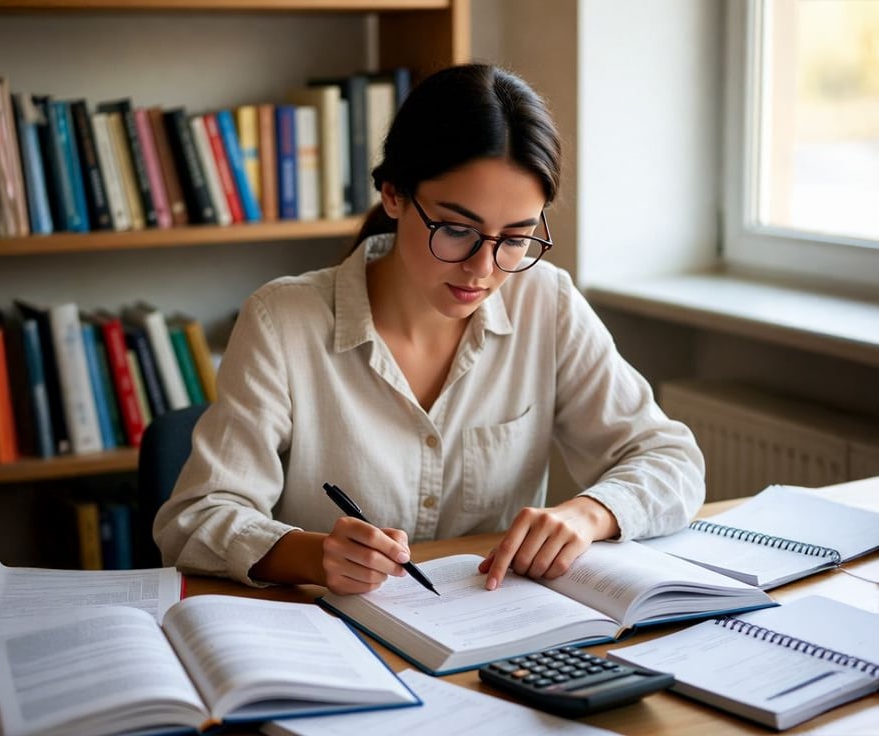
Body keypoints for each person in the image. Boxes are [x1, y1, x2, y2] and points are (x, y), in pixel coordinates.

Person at [153, 63, 705, 595]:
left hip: (491, 632)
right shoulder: (283, 321)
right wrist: (312, 554)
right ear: (393, 194)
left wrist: (591, 513)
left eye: (515, 237)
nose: (483, 269)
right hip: (334, 635)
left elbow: (671, 460)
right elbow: (194, 519)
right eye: (457, 229)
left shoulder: (547, 300)